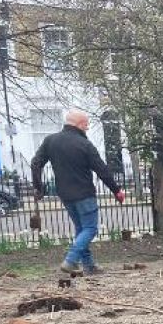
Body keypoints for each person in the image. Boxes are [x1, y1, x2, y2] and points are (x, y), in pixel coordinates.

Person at [31, 109, 125, 275]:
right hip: (84, 193)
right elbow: (102, 170)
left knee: (81, 229)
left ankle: (89, 266)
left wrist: (39, 187)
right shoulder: (84, 144)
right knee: (90, 229)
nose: (87, 128)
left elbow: (35, 163)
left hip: (65, 194)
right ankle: (71, 260)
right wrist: (116, 190)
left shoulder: (50, 141)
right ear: (80, 124)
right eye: (86, 125)